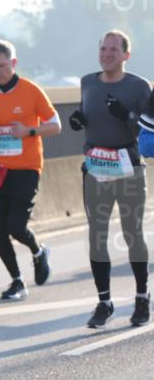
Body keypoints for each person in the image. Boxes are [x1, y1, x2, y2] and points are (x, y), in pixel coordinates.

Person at [0, 40, 61, 300]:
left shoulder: (31, 91)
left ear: (14, 63)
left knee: (16, 227)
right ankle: (17, 281)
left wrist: (29, 131)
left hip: (27, 168)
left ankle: (39, 252)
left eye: (3, 65)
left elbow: (56, 125)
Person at [69, 30, 152, 328]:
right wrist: (78, 119)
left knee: (132, 234)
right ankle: (104, 302)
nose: (106, 54)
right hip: (96, 168)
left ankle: (142, 298)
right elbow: (88, 114)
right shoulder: (88, 82)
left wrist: (126, 115)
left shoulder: (140, 87)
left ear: (126, 55)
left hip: (128, 167)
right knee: (97, 236)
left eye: (113, 50)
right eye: (103, 48)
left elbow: (147, 133)